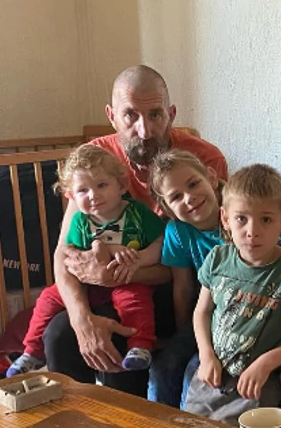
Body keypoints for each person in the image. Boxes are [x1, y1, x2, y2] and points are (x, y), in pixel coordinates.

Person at [45, 65, 228, 395]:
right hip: (108, 286)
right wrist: (81, 319)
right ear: (112, 116)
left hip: (176, 287)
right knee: (59, 335)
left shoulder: (203, 159)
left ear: (171, 114)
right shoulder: (93, 160)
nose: (144, 130)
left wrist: (117, 275)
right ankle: (78, 423)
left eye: (155, 114)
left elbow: (194, 258)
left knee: (123, 332)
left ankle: (133, 423)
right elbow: (64, 253)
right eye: (130, 115)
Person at [7, 145, 164, 377]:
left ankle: (140, 346)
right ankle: (32, 351)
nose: (93, 195)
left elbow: (160, 242)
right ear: (71, 196)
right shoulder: (80, 221)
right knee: (47, 299)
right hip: (87, 283)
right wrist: (103, 252)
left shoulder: (137, 213)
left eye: (102, 185)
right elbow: (70, 255)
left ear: (121, 186)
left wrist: (139, 260)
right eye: (83, 190)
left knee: (136, 301)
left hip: (126, 279)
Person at [184, 164, 281, 424]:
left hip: (259, 382)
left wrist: (266, 363)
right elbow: (202, 312)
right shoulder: (217, 258)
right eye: (241, 218)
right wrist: (205, 354)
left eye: (266, 219)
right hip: (211, 376)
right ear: (225, 219)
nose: (252, 231)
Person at [148, 150, 225, 407]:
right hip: (204, 313)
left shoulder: (238, 216)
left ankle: (188, 421)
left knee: (195, 372)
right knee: (163, 368)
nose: (189, 198)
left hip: (241, 313)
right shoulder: (177, 231)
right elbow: (182, 288)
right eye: (176, 197)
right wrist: (183, 335)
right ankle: (157, 426)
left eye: (193, 184)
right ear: (167, 208)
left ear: (211, 177)